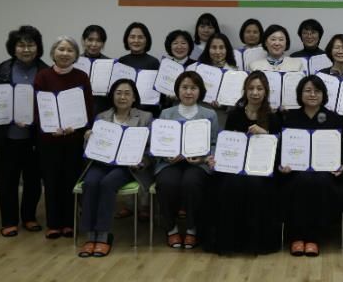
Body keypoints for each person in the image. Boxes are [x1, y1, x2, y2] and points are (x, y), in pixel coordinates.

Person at [203, 71, 283, 254]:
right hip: (235, 168)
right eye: (251, 88)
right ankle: (230, 242)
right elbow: (227, 145)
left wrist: (265, 135)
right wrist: (216, 159)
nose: (255, 92)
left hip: (261, 170)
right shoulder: (234, 115)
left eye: (259, 89)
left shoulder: (273, 117)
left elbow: (278, 151)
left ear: (266, 92)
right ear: (245, 91)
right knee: (229, 185)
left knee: (255, 185)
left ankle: (253, 243)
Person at [77, 79, 153, 257]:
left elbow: (151, 149)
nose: (122, 97)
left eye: (127, 93)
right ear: (112, 96)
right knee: (90, 183)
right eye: (118, 93)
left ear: (134, 98)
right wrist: (87, 139)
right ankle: (90, 236)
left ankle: (103, 235)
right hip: (101, 163)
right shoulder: (102, 117)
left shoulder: (145, 117)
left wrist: (141, 162)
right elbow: (89, 149)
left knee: (108, 183)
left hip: (127, 167)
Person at [280, 75, 343, 257]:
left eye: (317, 91)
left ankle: (313, 238)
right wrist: (282, 166)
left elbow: (340, 150)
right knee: (301, 180)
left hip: (325, 172)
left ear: (323, 94)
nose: (312, 94)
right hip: (295, 171)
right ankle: (297, 236)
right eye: (308, 90)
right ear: (300, 94)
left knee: (319, 181)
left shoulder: (334, 119)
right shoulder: (290, 117)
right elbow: (282, 149)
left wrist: (340, 166)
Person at [33, 36, 93, 239]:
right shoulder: (43, 76)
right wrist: (49, 128)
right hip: (49, 140)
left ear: (76, 55)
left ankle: (69, 222)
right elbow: (38, 108)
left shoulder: (81, 77)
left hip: (73, 138)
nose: (65, 53)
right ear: (53, 53)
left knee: (70, 180)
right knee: (51, 181)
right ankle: (53, 224)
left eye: (70, 50)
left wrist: (79, 127)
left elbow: (88, 107)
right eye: (61, 49)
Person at [155, 71, 218, 249]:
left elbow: (215, 143)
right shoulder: (166, 113)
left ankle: (192, 228)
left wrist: (203, 158)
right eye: (184, 87)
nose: (188, 92)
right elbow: (158, 142)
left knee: (191, 182)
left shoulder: (209, 114)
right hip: (170, 162)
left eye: (193, 88)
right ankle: (171, 228)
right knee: (167, 183)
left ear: (200, 91)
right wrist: (166, 155)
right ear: (178, 90)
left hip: (198, 163)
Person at [0, 26, 47, 237]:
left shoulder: (45, 71)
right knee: (8, 180)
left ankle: (29, 217)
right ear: (13, 48)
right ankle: (9, 221)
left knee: (33, 180)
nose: (26, 49)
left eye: (31, 45)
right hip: (8, 136)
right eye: (21, 45)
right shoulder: (1, 71)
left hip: (35, 137)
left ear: (38, 47)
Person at [117, 22, 160, 116]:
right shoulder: (121, 61)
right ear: (127, 39)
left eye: (140, 37)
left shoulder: (154, 62)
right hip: (125, 112)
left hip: (148, 112)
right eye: (132, 37)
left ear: (147, 40)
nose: (136, 40)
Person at [197, 32, 238, 127]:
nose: (218, 52)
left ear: (227, 49)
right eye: (214, 47)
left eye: (221, 47)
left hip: (223, 118)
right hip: (200, 116)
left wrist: (224, 105)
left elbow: (238, 101)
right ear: (208, 49)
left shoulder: (235, 72)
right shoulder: (199, 69)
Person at [80, 25, 112, 114]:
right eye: (90, 40)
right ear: (83, 41)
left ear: (103, 43)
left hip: (103, 111)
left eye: (98, 41)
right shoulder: (75, 62)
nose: (94, 44)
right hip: (79, 109)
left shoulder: (111, 64)